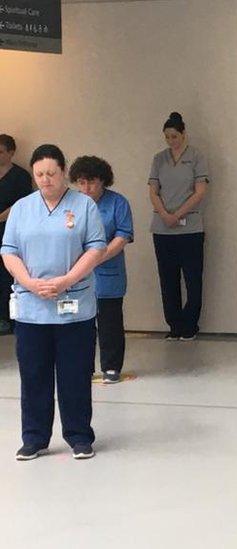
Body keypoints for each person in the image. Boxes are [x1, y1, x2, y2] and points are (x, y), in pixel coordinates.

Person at [1, 144, 106, 460]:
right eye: (39, 174)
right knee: (34, 374)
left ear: (64, 172)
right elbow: (9, 250)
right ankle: (34, 438)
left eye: (52, 173)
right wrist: (30, 283)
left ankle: (79, 436)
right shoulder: (22, 208)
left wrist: (66, 281)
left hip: (73, 305)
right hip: (32, 307)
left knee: (74, 374)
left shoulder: (83, 205)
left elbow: (96, 248)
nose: (45, 180)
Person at [70, 156, 134, 385]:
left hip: (109, 273)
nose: (86, 188)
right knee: (80, 324)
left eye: (92, 182)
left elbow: (122, 236)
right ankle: (82, 367)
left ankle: (111, 366)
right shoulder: (72, 204)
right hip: (78, 275)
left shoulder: (118, 203)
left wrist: (96, 258)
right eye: (81, 182)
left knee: (109, 323)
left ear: (103, 181)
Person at [148, 111, 208, 341]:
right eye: (167, 137)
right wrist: (164, 214)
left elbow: (200, 191)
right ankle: (174, 325)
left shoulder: (196, 157)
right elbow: (153, 191)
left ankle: (190, 325)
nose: (171, 141)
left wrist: (178, 214)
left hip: (190, 227)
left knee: (192, 278)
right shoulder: (159, 159)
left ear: (183, 134)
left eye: (174, 136)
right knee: (168, 278)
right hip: (163, 228)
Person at [0, 134, 34, 335]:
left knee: (7, 274)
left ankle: (6, 318)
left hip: (9, 229)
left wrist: (1, 217)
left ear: (11, 153)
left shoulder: (21, 176)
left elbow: (22, 204)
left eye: (1, 152)